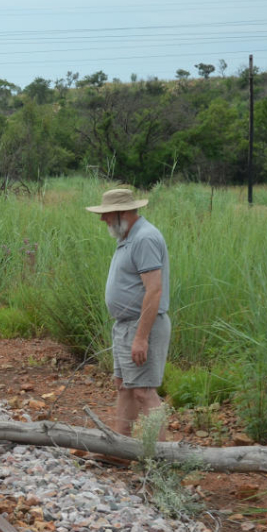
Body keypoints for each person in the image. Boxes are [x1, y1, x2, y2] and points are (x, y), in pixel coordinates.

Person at [87, 187, 170, 437]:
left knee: (144, 391)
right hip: (125, 325)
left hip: (141, 325)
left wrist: (141, 337)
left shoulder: (144, 238)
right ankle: (120, 447)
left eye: (107, 214)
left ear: (122, 212)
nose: (103, 219)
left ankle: (162, 454)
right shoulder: (128, 237)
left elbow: (154, 290)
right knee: (124, 385)